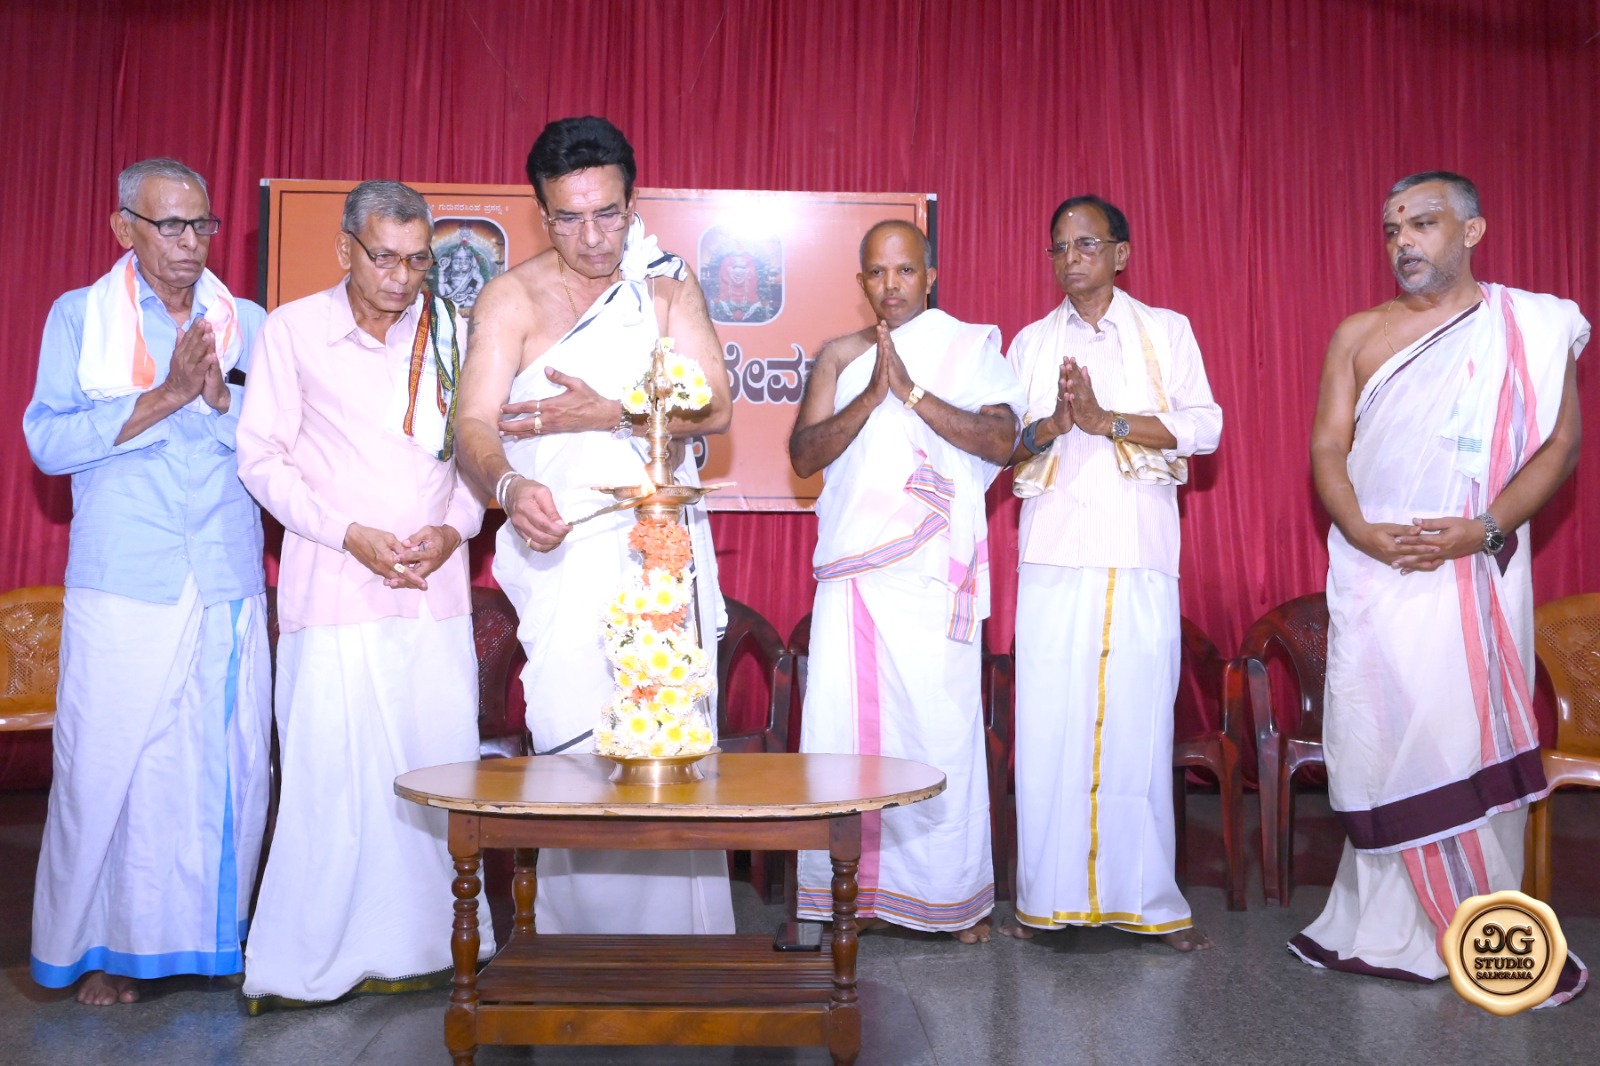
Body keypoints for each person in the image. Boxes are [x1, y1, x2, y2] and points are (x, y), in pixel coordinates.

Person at [1294, 171, 1587, 1001]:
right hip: (1375, 575)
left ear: (1472, 231)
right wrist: (1359, 530)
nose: (1403, 243)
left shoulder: (1530, 326)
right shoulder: (1360, 334)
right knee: (1382, 743)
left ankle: (1483, 929)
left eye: (1422, 224)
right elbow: (1327, 448)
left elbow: (1561, 446)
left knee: (1461, 738)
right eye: (1392, 230)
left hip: (1473, 570)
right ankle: (1383, 928)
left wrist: (1484, 529)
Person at [454, 116, 735, 934]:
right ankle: (577, 951)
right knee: (577, 739)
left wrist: (608, 413)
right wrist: (508, 486)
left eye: (607, 214)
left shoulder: (666, 287)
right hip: (563, 550)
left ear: (631, 203)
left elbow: (716, 407)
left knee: (667, 733)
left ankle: (680, 953)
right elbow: (471, 425)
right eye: (569, 218)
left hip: (660, 551)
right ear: (542, 214)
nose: (591, 237)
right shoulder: (512, 298)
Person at [236, 180, 493, 1005]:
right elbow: (261, 458)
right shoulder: (292, 331)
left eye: (417, 262)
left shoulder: (454, 333)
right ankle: (309, 962)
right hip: (335, 582)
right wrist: (347, 532)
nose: (400, 278)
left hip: (432, 589)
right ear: (345, 248)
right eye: (384, 258)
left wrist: (454, 530)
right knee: (330, 778)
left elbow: (479, 460)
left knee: (434, 770)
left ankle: (433, 944)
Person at [23, 158, 272, 1005]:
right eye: (170, 225)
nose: (190, 243)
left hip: (224, 570)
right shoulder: (78, 317)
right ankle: (100, 951)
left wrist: (221, 403)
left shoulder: (246, 323)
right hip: (125, 573)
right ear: (123, 227)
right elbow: (48, 443)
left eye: (202, 224)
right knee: (106, 767)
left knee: (218, 762)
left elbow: (282, 444)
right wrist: (166, 396)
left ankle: (209, 942)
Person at [788, 219, 1023, 942]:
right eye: (877, 272)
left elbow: (1002, 440)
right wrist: (871, 396)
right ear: (861, 280)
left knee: (937, 730)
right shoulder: (840, 355)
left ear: (930, 275)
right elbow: (803, 455)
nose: (891, 285)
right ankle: (848, 897)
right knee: (844, 735)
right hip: (853, 579)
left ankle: (947, 900)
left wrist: (913, 393)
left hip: (928, 577)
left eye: (905, 270)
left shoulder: (967, 347)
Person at [1003, 195, 1221, 952]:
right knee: (1047, 734)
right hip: (1052, 554)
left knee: (1138, 729)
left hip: (1139, 552)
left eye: (1087, 245)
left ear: (1121, 254)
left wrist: (1109, 422)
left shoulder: (1167, 331)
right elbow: (1005, 445)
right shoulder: (1031, 343)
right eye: (1059, 248)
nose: (1071, 259)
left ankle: (1148, 903)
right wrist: (1055, 426)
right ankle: (1044, 901)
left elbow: (1205, 425)